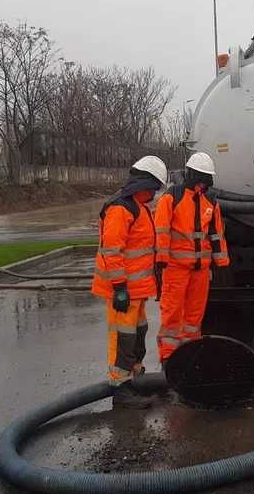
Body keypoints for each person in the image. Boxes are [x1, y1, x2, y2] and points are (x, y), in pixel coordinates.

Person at [90, 156, 168, 406]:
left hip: (137, 291)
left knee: (137, 335)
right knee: (122, 338)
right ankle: (121, 390)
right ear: (142, 183)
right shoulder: (120, 209)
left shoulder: (139, 207)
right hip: (122, 292)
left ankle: (135, 380)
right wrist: (120, 288)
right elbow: (112, 251)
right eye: (153, 188)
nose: (154, 194)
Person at [154, 152, 229, 362]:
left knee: (194, 316)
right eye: (203, 178)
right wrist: (161, 259)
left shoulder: (210, 201)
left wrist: (221, 262)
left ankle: (189, 352)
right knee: (172, 313)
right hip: (175, 268)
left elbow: (216, 234)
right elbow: (162, 230)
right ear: (194, 175)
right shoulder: (172, 197)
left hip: (201, 270)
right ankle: (168, 356)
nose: (206, 184)